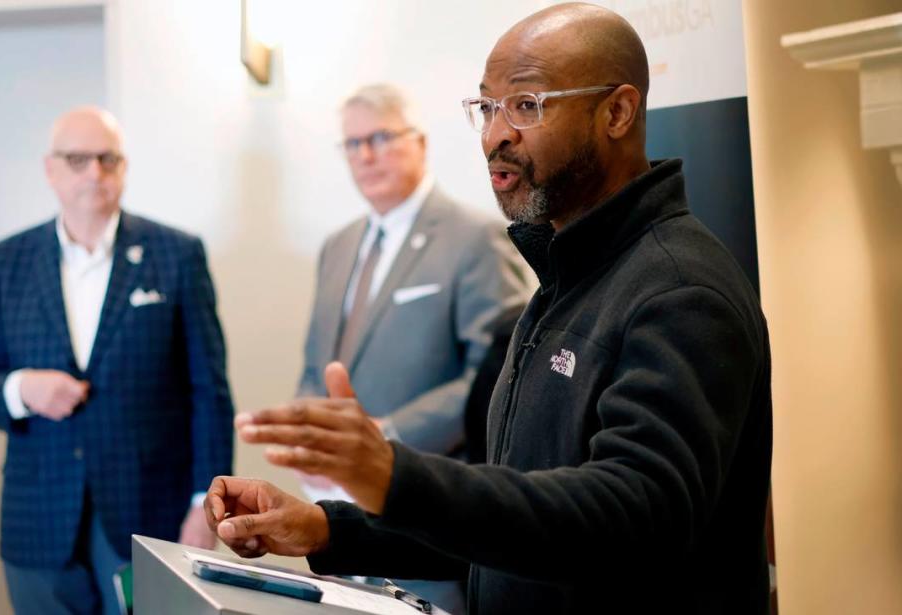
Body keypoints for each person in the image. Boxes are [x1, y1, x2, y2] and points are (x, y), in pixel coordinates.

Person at [205, 4, 772, 614]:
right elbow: (517, 522)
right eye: (486, 106)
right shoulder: (566, 276)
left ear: (617, 111)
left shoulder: (680, 291)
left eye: (527, 104)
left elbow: (632, 516)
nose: (495, 133)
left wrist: (398, 479)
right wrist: (326, 528)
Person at [0, 106, 234, 615]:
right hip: (37, 520)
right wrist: (22, 390)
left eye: (108, 159)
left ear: (124, 167)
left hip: (153, 514)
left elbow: (209, 392)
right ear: (51, 169)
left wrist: (206, 506)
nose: (94, 172)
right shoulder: (4, 262)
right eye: (78, 159)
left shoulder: (177, 254)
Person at [294, 82, 528, 612]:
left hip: (428, 520)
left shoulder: (476, 237)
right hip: (341, 521)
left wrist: (382, 436)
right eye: (353, 144)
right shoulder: (338, 246)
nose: (367, 155)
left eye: (380, 137)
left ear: (420, 142)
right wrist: (311, 442)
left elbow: (493, 380)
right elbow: (316, 364)